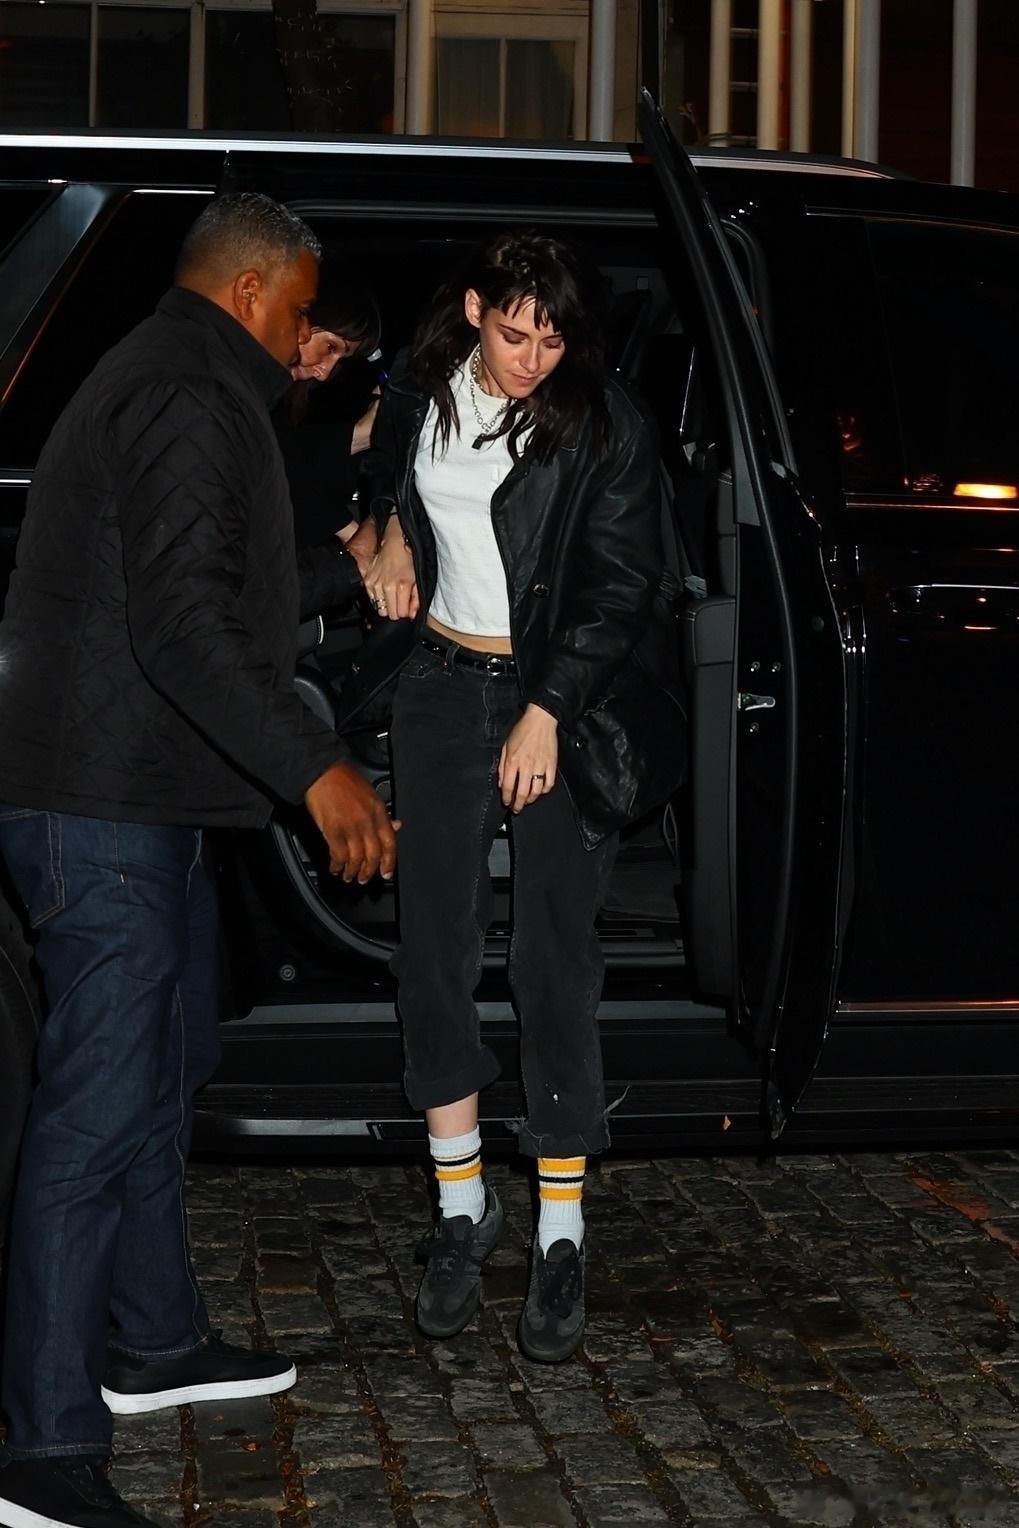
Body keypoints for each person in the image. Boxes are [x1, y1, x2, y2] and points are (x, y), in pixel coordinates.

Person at [0, 193, 394, 1528]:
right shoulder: (185, 390)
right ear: (250, 291)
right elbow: (181, 628)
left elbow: (222, 592)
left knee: (161, 1072)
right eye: (301, 312)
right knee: (94, 1108)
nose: (306, 341)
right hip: (96, 800)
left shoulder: (187, 377)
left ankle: (152, 1342)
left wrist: (344, 568)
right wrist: (315, 768)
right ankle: (41, 1450)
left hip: (139, 794)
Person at [363, 230, 685, 1364]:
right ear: (473, 310)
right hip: (441, 687)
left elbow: (621, 583)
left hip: (560, 698)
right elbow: (378, 465)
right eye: (512, 333)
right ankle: (461, 1209)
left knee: (552, 955)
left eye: (551, 338)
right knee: (432, 945)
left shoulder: (599, 421)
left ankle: (559, 1227)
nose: (531, 358)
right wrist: (383, 530)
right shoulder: (420, 390)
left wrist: (546, 708)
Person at [276, 279, 384, 548]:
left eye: (340, 359)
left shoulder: (289, 398)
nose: (324, 372)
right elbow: (279, 467)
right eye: (330, 347)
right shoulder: (231, 382)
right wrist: (350, 532)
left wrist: (362, 434)